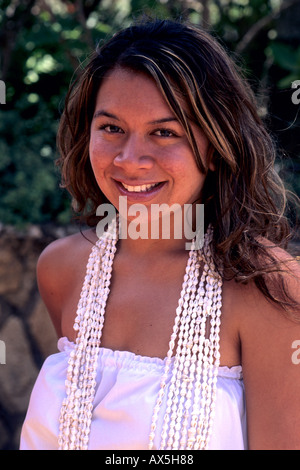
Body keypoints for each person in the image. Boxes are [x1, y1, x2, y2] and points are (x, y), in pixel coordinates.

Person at [20, 18, 300, 451]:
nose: (130, 160)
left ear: (216, 145)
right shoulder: (62, 269)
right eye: (111, 128)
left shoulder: (268, 288)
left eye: (164, 132)